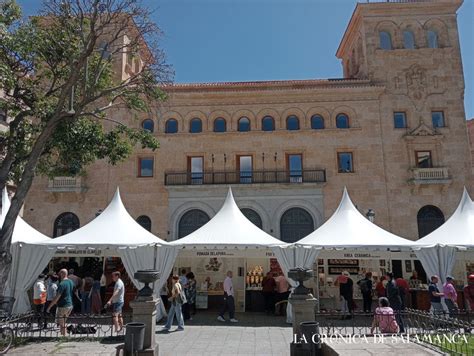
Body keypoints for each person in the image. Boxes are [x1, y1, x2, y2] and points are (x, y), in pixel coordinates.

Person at [46, 269, 74, 336]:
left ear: (62, 274)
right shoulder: (70, 282)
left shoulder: (62, 284)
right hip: (70, 305)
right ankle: (62, 335)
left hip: (63, 305)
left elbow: (57, 297)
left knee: (62, 322)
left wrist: (49, 307)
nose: (58, 275)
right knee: (63, 321)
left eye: (59, 274)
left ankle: (64, 336)